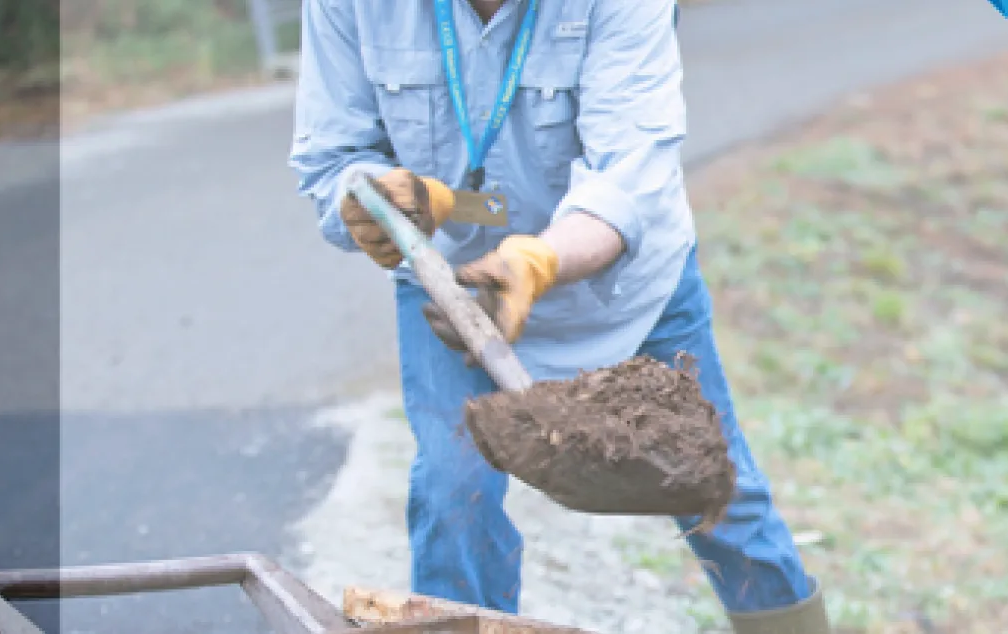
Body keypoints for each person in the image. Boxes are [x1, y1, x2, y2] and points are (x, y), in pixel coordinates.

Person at [286, 1, 828, 632]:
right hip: (454, 291)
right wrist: (372, 197)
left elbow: (629, 178)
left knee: (720, 490)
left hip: (627, 289)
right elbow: (334, 156)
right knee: (452, 492)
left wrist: (538, 262)